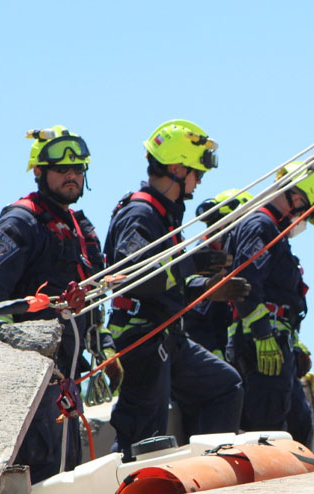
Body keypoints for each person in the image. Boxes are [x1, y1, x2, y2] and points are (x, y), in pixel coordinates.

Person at [0, 125, 115, 494]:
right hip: (35, 381)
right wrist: (24, 363)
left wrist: (105, 350)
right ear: (39, 172)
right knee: (41, 474)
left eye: (78, 169)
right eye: (61, 168)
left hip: (68, 378)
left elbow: (92, 298)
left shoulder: (79, 228)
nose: (72, 176)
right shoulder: (21, 222)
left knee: (69, 474)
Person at [104, 119, 247, 459]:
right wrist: (193, 265)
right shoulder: (141, 214)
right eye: (196, 173)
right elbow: (133, 277)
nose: (199, 181)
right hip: (141, 340)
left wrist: (206, 288)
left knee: (225, 386)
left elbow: (168, 279)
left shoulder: (165, 215)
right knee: (142, 435)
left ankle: (207, 468)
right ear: (176, 168)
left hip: (169, 337)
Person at [225, 161, 314, 445]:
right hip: (260, 343)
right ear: (296, 198)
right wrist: (262, 334)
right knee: (266, 431)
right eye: (305, 214)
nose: (302, 223)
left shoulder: (272, 231)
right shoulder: (260, 225)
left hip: (276, 339)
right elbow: (246, 283)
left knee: (295, 426)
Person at [183, 189, 254, 358]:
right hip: (206, 351)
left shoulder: (243, 260)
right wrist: (214, 353)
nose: (214, 234)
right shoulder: (201, 262)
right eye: (211, 226)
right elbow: (195, 318)